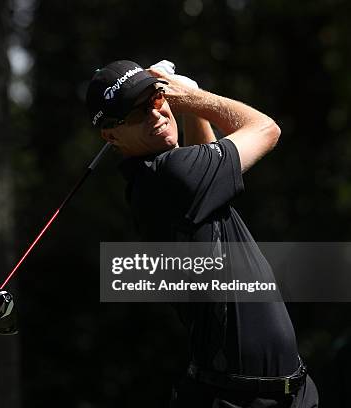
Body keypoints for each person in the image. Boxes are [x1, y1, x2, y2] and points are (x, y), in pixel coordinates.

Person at [85, 60, 319, 407]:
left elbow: (206, 167)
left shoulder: (162, 178)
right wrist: (191, 96)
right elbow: (266, 128)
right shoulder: (172, 175)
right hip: (237, 399)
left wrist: (191, 111)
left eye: (156, 100)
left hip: (290, 393)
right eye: (136, 114)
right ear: (111, 135)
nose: (156, 115)